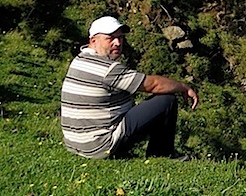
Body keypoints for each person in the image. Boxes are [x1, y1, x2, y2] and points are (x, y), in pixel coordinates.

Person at [60, 15, 199, 159]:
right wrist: (183, 87)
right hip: (100, 146)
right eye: (110, 38)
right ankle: (162, 155)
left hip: (75, 144)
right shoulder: (107, 69)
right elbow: (153, 85)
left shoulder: (79, 61)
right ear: (94, 41)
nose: (117, 43)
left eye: (120, 38)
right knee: (166, 100)